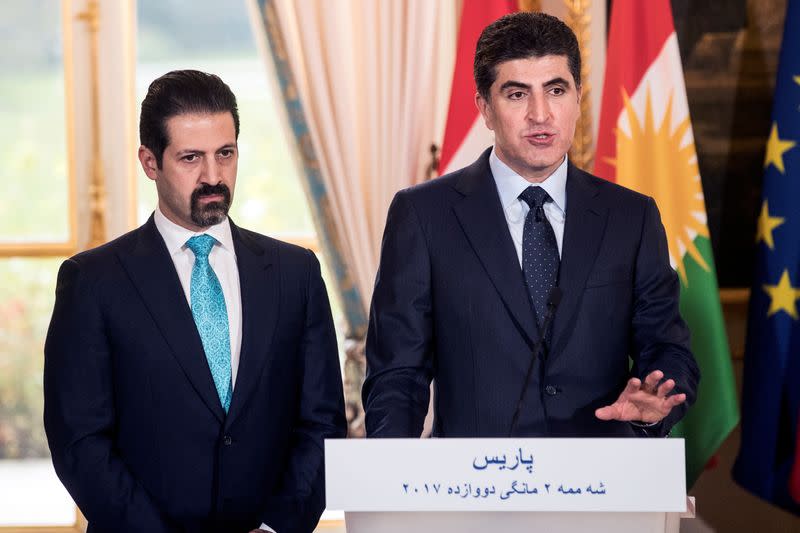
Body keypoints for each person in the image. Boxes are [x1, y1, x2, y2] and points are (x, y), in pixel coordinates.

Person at [363, 12, 700, 439]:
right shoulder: (424, 215)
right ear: (485, 108)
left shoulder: (631, 217)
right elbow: (397, 375)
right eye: (517, 94)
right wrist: (394, 481)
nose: (540, 114)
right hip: (471, 488)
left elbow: (669, 349)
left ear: (578, 97)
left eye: (556, 90)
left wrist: (654, 402)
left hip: (598, 484)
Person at [44, 70, 346, 533]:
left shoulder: (296, 274)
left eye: (225, 154)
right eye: (191, 158)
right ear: (150, 162)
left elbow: (322, 423)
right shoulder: (93, 281)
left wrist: (276, 528)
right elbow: (79, 440)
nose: (213, 176)